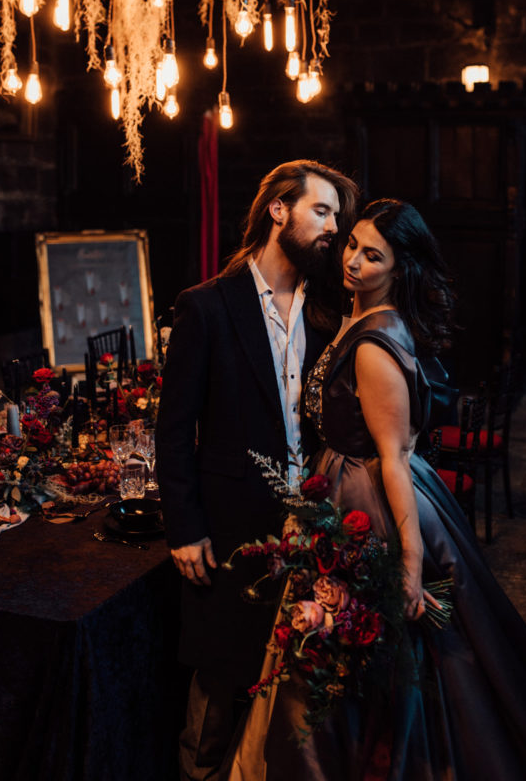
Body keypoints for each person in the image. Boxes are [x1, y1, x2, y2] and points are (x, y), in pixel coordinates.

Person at [223, 198, 526, 781]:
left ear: (399, 268)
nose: (355, 262)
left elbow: (393, 458)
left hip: (367, 493)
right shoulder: (365, 316)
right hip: (347, 481)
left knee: (369, 649)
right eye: (353, 246)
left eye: (374, 256)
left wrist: (410, 563)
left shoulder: (372, 345)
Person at [155, 159, 359, 781]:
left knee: (293, 702)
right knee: (218, 697)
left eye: (337, 218)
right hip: (233, 531)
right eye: (321, 211)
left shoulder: (329, 311)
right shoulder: (207, 307)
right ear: (279, 210)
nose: (333, 228)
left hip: (312, 534)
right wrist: (184, 527)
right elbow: (173, 427)